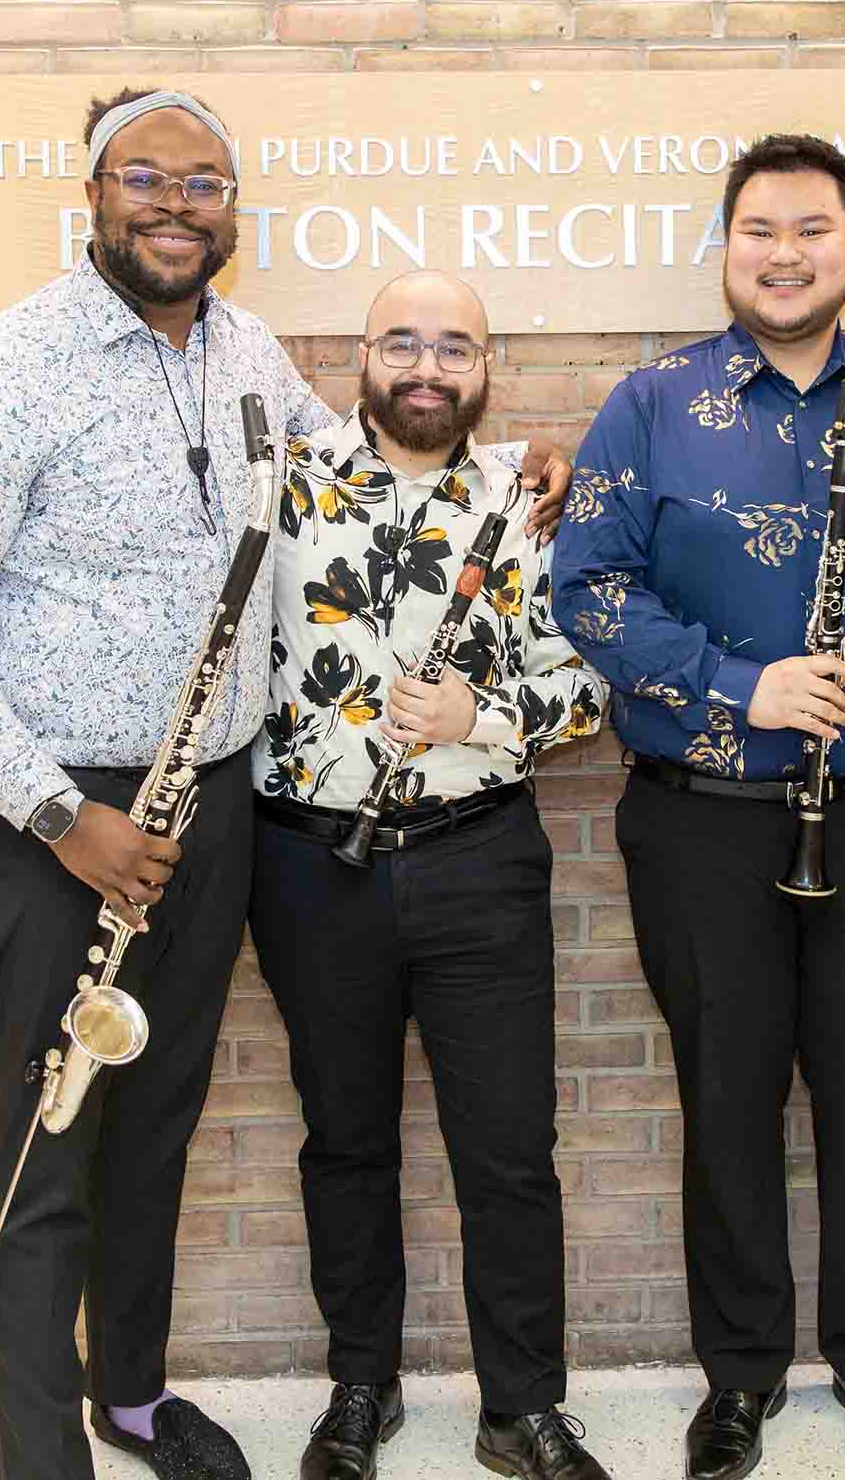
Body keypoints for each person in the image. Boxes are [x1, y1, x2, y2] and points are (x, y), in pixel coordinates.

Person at [0, 90, 565, 1480]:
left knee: (158, 1114)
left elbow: (362, 467)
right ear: (93, 192)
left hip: (216, 803)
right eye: (147, 176)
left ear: (230, 211)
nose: (176, 204)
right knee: (45, 1137)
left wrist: (514, 461)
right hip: (58, 817)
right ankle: (37, 1455)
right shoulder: (0, 371)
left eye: (204, 182)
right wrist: (61, 816)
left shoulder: (244, 349)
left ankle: (130, 1397)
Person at [551, 135, 845, 1480]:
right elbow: (589, 587)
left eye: (815, 230)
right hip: (703, 809)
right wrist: (745, 683)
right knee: (727, 1097)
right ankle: (740, 1374)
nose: (787, 252)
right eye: (762, 228)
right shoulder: (649, 403)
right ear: (727, 244)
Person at [248, 270, 612, 1480]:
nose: (425, 366)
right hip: (311, 865)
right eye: (401, 341)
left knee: (507, 1150)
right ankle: (362, 1388)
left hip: (478, 858)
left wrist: (482, 712)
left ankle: (521, 1407)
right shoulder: (283, 484)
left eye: (453, 346)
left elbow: (588, 682)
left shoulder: (531, 498)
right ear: (358, 355)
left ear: (486, 362)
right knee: (343, 1142)